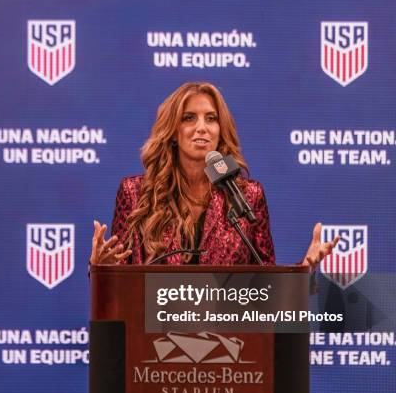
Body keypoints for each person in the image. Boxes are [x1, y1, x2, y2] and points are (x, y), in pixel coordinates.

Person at [90, 82, 339, 267]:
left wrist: (303, 269)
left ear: (220, 130)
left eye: (211, 118)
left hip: (228, 332)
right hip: (153, 332)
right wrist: (103, 267)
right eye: (189, 118)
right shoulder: (135, 192)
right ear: (173, 132)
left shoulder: (248, 195)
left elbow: (265, 280)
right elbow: (117, 282)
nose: (201, 128)